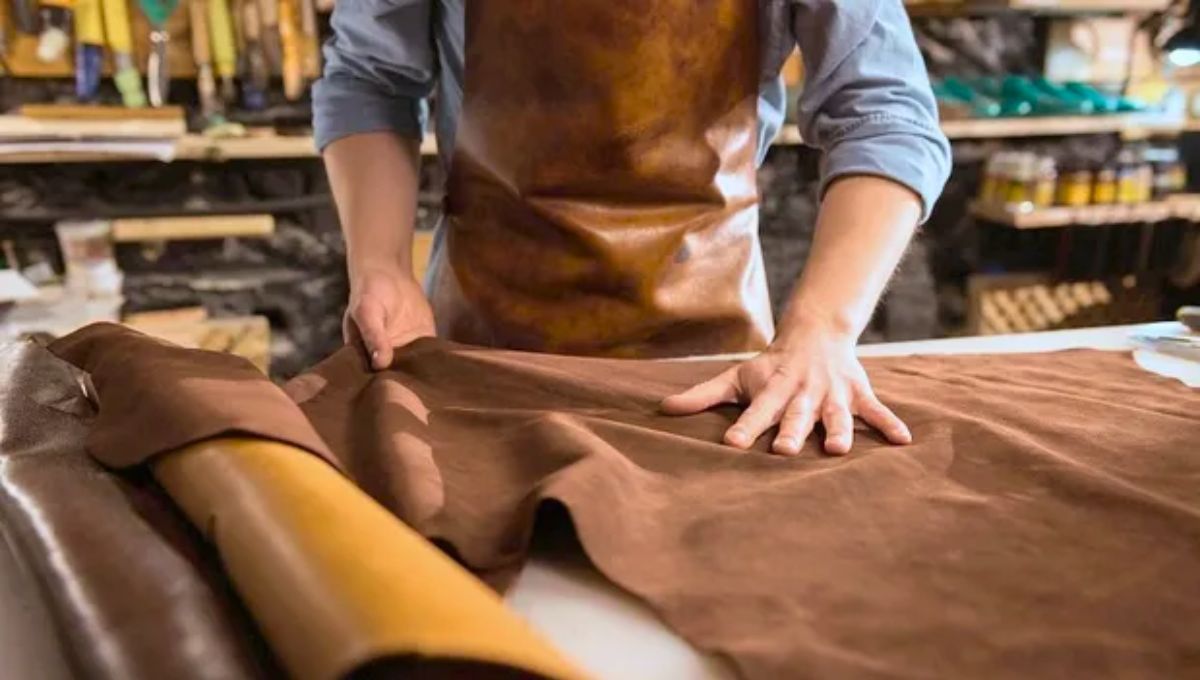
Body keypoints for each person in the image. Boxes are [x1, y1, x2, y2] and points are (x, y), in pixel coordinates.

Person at [314, 0, 951, 456]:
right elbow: (370, 80)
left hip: (713, 374)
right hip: (479, 349)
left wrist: (822, 330)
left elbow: (884, 116)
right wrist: (380, 267)